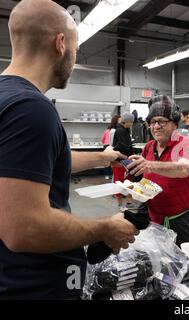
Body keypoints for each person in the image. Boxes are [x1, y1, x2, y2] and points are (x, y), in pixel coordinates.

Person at [0, 0, 138, 299]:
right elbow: (24, 228)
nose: (74, 60)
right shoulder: (31, 109)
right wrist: (104, 229)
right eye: (76, 49)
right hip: (32, 286)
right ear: (60, 43)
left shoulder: (6, 98)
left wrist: (102, 157)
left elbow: (26, 167)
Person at [126, 95, 189, 253]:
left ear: (174, 124)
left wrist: (149, 165)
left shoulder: (185, 143)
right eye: (152, 122)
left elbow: (184, 168)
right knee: (163, 265)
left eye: (161, 121)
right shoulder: (149, 147)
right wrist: (133, 188)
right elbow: (147, 181)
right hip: (156, 219)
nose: (156, 126)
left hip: (185, 219)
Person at [112, 112, 142, 209]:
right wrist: (136, 150)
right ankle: (120, 204)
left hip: (125, 159)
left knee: (129, 180)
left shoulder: (125, 129)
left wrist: (133, 150)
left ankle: (129, 202)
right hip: (119, 161)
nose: (132, 124)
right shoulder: (120, 131)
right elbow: (122, 146)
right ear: (127, 122)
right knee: (119, 181)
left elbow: (126, 145)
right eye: (131, 122)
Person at [101, 115, 120, 180]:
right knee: (112, 161)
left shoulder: (107, 130)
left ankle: (107, 175)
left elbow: (102, 139)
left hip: (106, 146)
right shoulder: (116, 130)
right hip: (111, 146)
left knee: (107, 161)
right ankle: (111, 174)